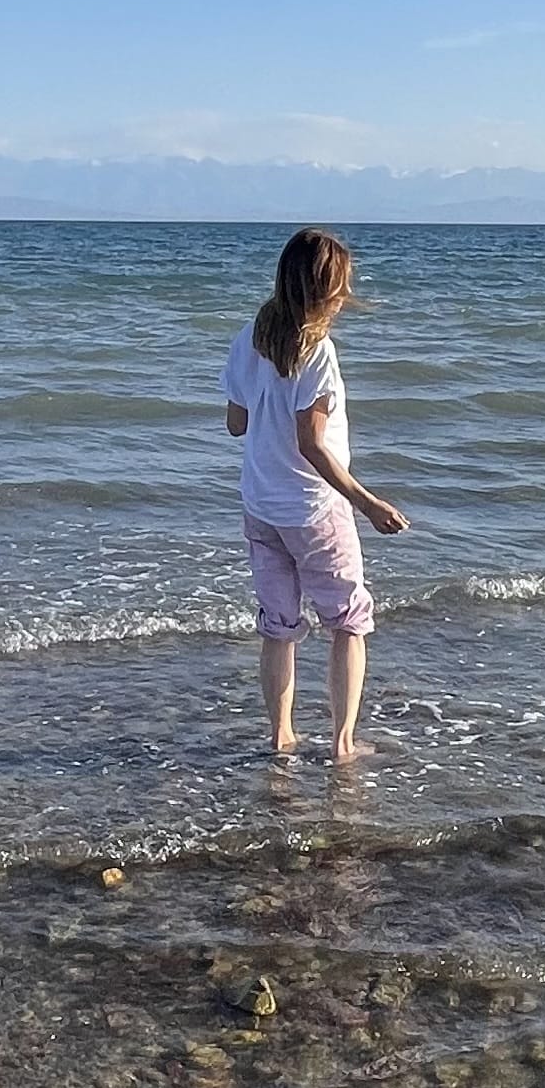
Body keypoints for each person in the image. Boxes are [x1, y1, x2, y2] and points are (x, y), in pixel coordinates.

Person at [221, 227, 409, 762]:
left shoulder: (249, 337)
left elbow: (237, 424)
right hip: (313, 509)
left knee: (279, 626)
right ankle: (343, 743)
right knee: (348, 623)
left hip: (260, 504)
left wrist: (265, 409)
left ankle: (281, 737)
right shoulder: (317, 350)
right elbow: (312, 445)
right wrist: (368, 503)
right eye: (342, 287)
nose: (347, 297)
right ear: (327, 291)